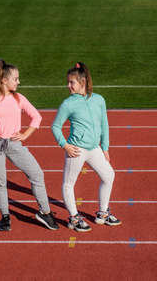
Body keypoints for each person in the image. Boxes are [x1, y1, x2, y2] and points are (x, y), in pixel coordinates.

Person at [0, 59, 58, 231]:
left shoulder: (18, 98)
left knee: (37, 174)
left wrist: (25, 135)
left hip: (14, 145)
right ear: (4, 80)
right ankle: (5, 216)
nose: (19, 82)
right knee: (0, 183)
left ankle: (45, 212)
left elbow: (37, 117)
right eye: (15, 79)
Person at [51, 62, 121, 232]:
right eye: (68, 82)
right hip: (76, 149)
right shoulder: (68, 103)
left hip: (94, 148)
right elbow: (55, 126)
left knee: (109, 175)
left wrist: (105, 147)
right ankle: (74, 218)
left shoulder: (98, 99)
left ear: (82, 83)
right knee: (69, 184)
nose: (68, 86)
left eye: (71, 82)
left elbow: (104, 124)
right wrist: (65, 145)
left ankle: (103, 213)